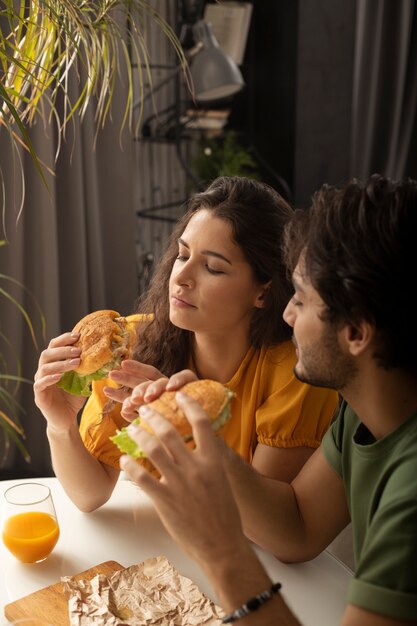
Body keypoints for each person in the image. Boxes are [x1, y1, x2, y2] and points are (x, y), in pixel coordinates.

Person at [120, 174, 417, 625]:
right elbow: (297, 529)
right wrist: (202, 439)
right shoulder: (362, 415)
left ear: (356, 333)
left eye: (301, 299)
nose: (286, 313)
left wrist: (221, 551)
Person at [33, 176, 338, 512]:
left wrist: (178, 426)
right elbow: (89, 496)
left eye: (212, 267)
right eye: (182, 254)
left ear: (263, 291)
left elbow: (257, 526)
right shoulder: (127, 346)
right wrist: (60, 426)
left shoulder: (294, 374)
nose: (181, 277)